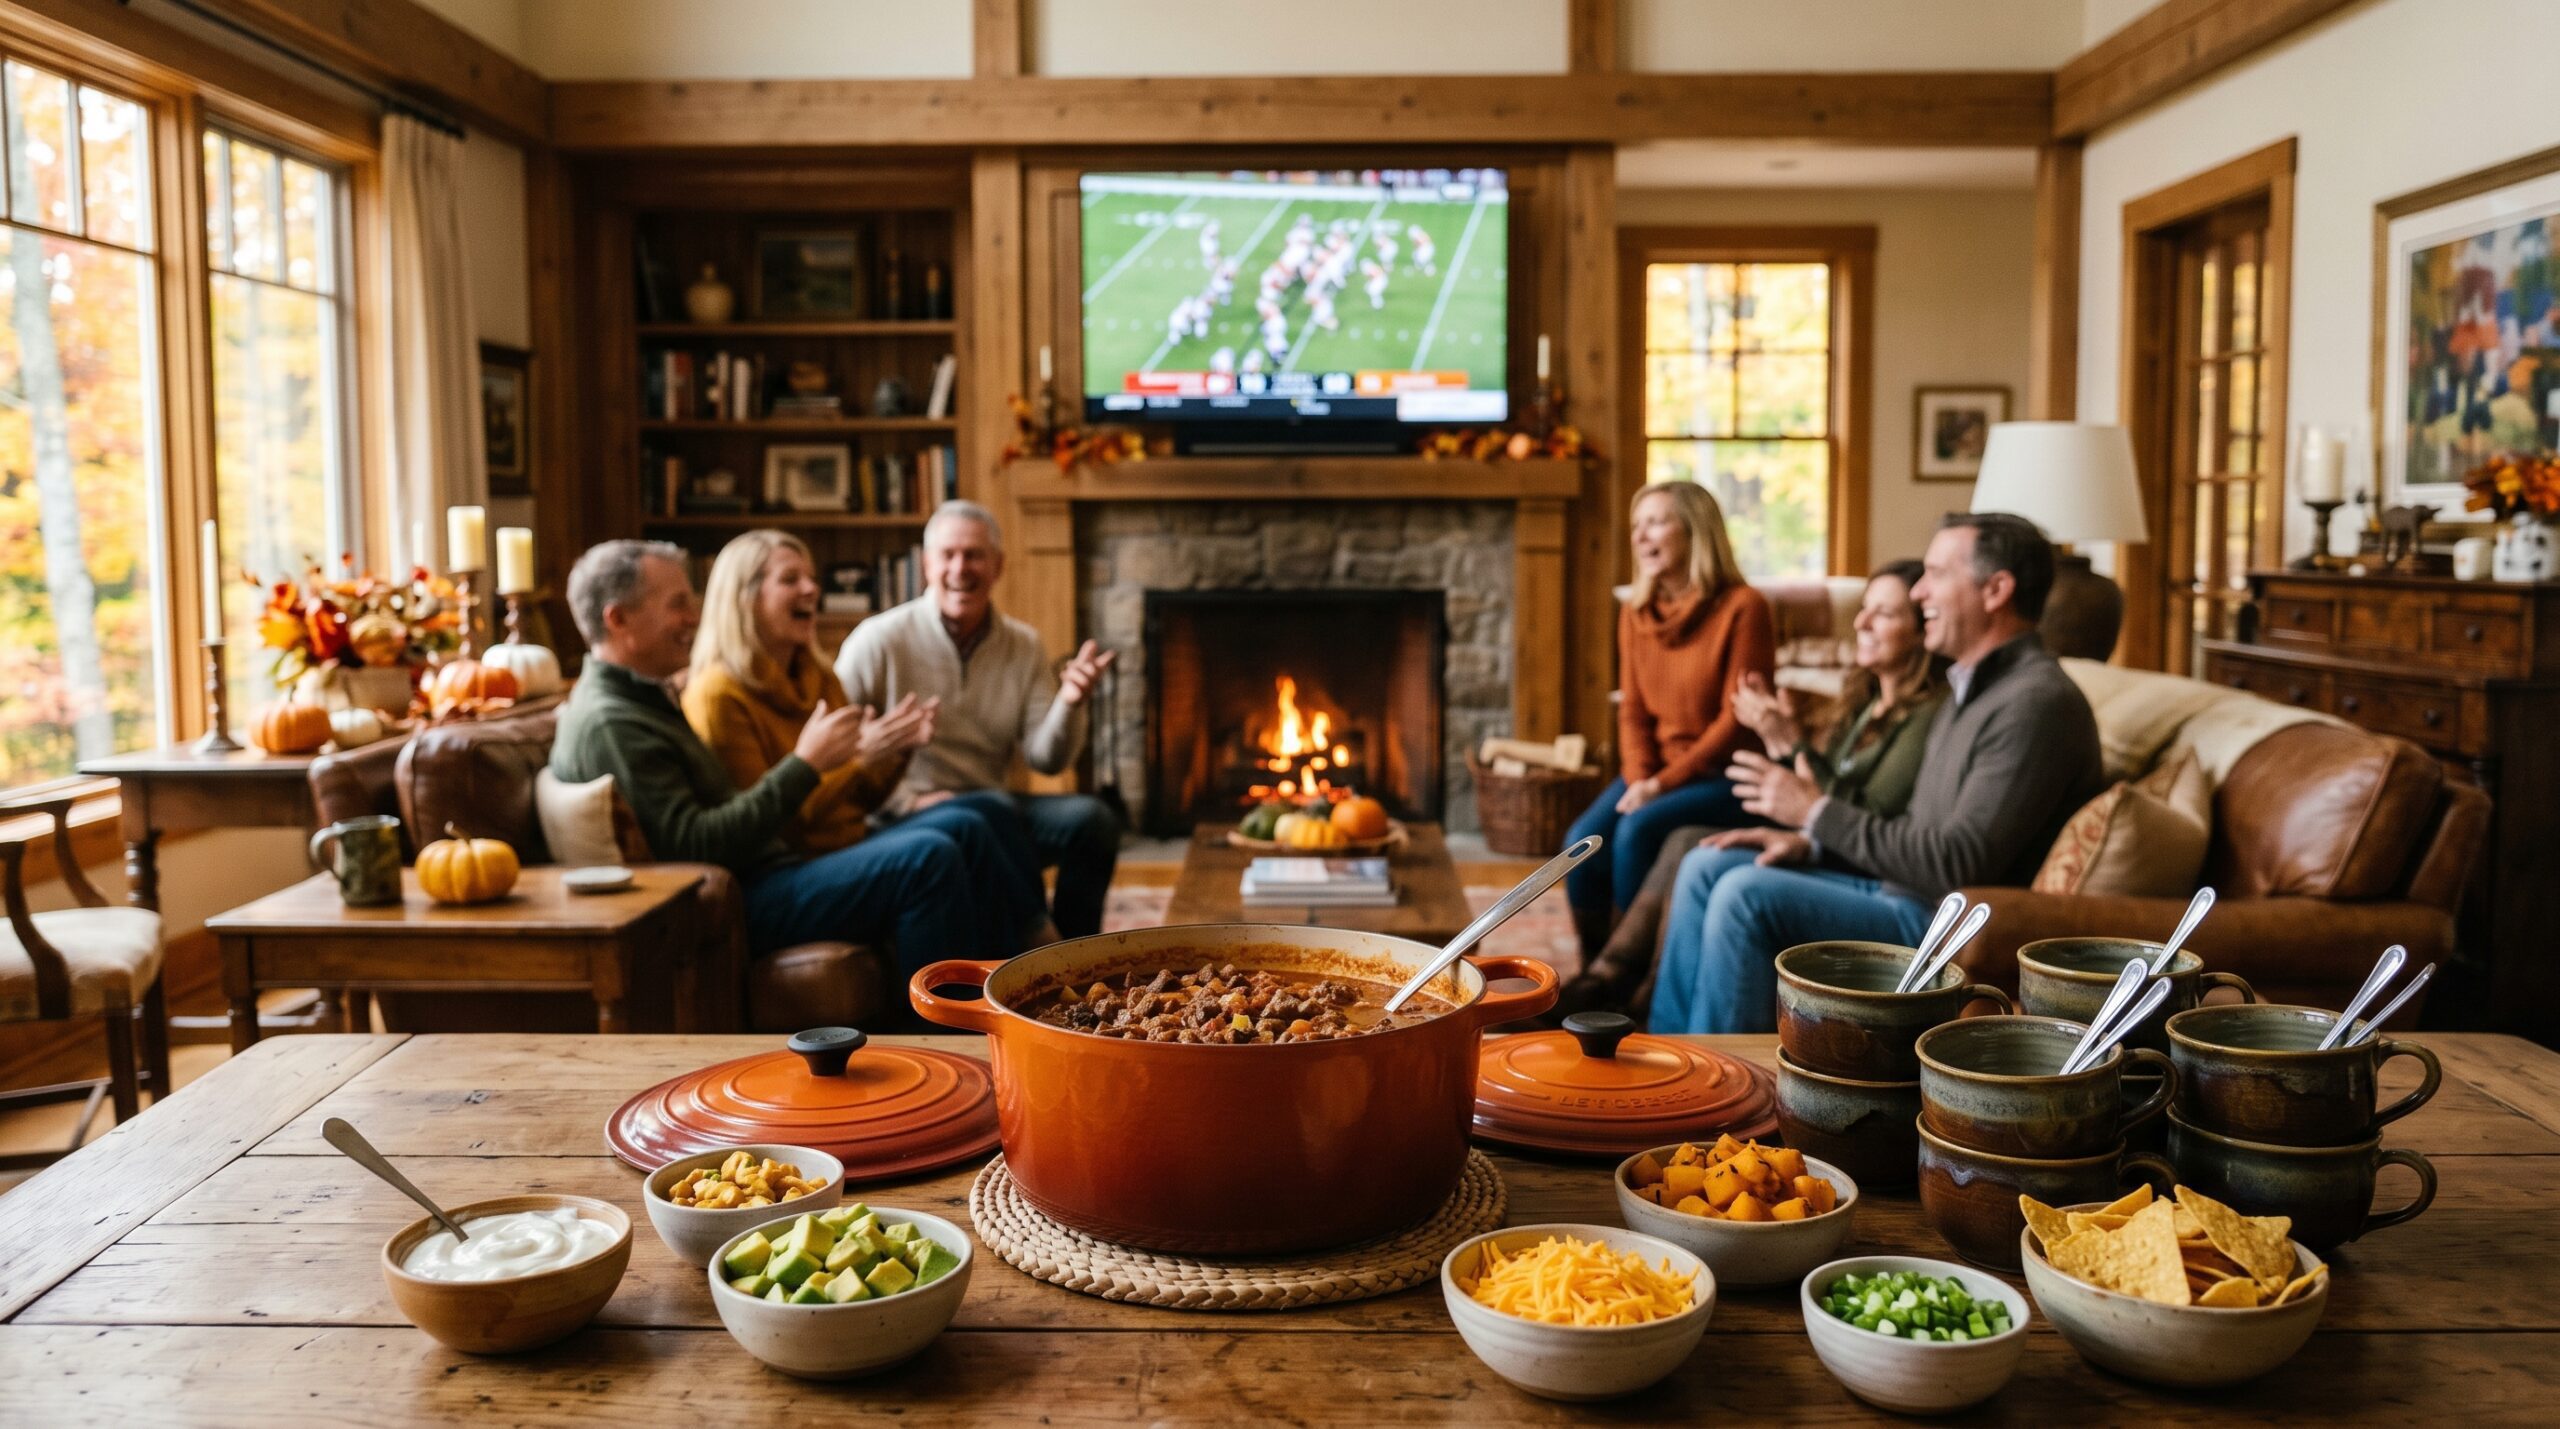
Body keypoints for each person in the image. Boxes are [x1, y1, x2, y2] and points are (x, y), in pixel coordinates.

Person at [1647, 513, 2105, 1035]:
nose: (1920, 590)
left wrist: (1815, 813)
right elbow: (1915, 824)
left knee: (1744, 896)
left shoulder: (2034, 703)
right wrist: (1812, 846)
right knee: (1708, 866)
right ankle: (1672, 1055)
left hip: (1942, 922)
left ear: (1996, 590)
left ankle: (1720, 1089)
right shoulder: (1971, 689)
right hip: (1897, 888)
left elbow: (1960, 862)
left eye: (1936, 573)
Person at [549, 539, 1008, 974]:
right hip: (745, 894)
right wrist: (806, 764)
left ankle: (1015, 976)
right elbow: (694, 847)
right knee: (928, 859)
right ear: (618, 620)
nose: (695, 617)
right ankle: (944, 1038)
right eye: (678, 604)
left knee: (969, 820)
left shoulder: (645, 700)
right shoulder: (613, 722)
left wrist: (887, 750)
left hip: (772, 870)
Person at [1556, 559, 1950, 1018]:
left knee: (1674, 840)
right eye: (1863, 608)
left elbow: (1855, 809)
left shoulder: (1925, 716)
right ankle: (1627, 990)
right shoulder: (1865, 701)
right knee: (1689, 845)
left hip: (1857, 861)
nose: (1861, 622)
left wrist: (1786, 742)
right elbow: (1818, 785)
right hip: (1816, 835)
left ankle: (1626, 989)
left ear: (1922, 631)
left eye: (1883, 613)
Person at [679, 529, 1049, 941]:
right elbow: (773, 829)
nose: (811, 589)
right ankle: (953, 997)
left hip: (846, 837)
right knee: (932, 853)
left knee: (982, 814)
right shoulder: (719, 695)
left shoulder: (818, 675)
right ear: (744, 598)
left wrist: (896, 749)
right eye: (790, 580)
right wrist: (859, 760)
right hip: (791, 861)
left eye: (811, 578)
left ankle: (1030, 950)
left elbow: (862, 796)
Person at [837, 501, 1124, 939]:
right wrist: (905, 801)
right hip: (903, 811)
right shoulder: (878, 641)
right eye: (948, 555)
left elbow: (1046, 760)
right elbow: (833, 754)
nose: (960, 568)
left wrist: (1069, 702)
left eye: (974, 555)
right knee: (988, 810)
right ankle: (1039, 941)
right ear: (926, 563)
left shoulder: (1023, 644)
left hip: (995, 809)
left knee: (1093, 820)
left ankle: (1078, 958)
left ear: (998, 566)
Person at [1562, 481, 1776, 959]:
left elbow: (1735, 724)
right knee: (1579, 842)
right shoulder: (1636, 612)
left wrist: (1658, 787)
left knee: (1638, 830)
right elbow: (1633, 710)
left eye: (1656, 521)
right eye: (1637, 525)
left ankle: (1629, 973)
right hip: (1657, 773)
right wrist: (1639, 777)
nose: (1641, 536)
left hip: (1727, 775)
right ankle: (1595, 968)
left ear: (1695, 531)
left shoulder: (1744, 607)